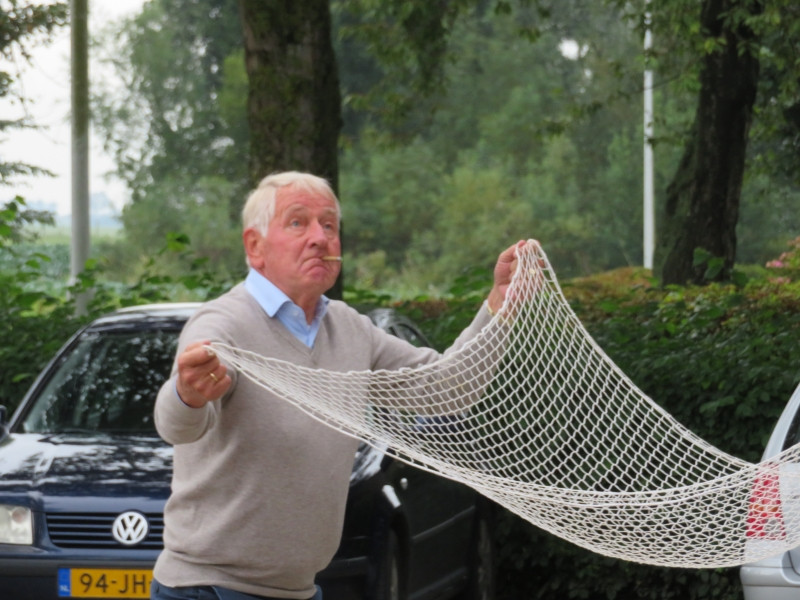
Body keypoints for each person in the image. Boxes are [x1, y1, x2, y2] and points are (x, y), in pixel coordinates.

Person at [151, 170, 524, 600]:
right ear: (255, 247)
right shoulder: (223, 323)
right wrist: (188, 394)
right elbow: (176, 426)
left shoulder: (350, 330)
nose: (319, 237)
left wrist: (498, 309)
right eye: (298, 222)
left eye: (329, 225)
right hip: (209, 589)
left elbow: (449, 387)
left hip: (299, 591)